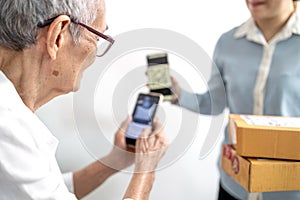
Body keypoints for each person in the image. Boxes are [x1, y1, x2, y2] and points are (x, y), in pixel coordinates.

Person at [0, 0, 168, 199]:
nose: (95, 55)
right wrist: (146, 173)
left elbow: (43, 189)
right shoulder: (10, 127)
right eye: (97, 37)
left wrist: (115, 161)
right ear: (57, 36)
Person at [171, 0, 300, 199]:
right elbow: (215, 103)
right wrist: (178, 94)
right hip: (234, 182)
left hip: (287, 189)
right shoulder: (228, 43)